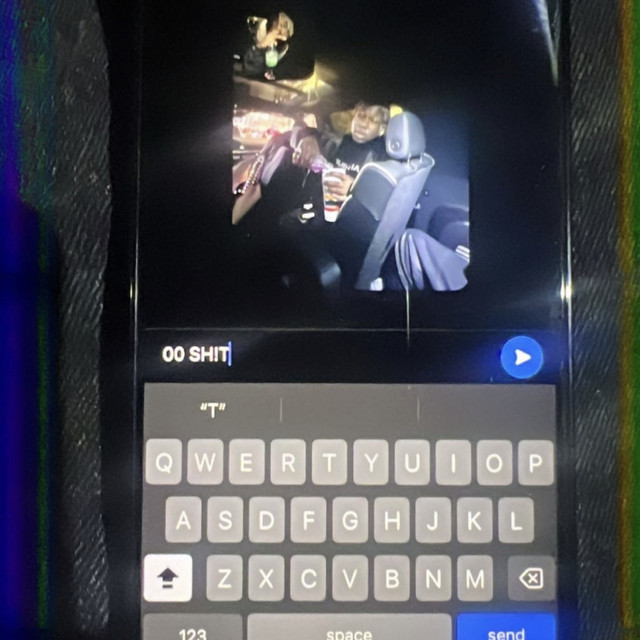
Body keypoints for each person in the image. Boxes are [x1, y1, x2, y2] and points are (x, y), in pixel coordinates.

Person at [242, 12, 313, 81]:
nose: (278, 28)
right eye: (274, 24)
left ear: (290, 33)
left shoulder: (297, 59)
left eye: (284, 25)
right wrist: (261, 46)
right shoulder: (259, 51)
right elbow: (250, 72)